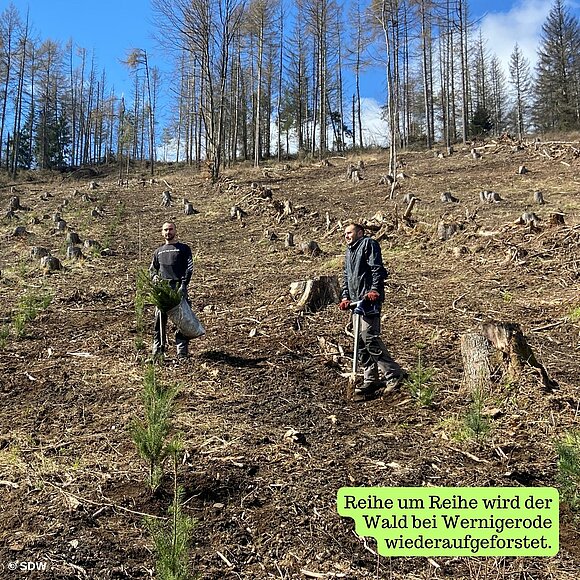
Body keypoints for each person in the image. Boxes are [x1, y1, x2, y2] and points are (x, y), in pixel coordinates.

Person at [339, 222, 404, 400]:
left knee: (369, 337)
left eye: (349, 232)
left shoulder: (368, 244)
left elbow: (377, 269)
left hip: (368, 300)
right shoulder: (349, 251)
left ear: (360, 232)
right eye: (345, 233)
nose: (346, 236)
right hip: (356, 302)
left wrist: (374, 289)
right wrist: (345, 297)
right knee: (359, 342)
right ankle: (371, 379)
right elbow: (346, 276)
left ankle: (394, 375)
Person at [149, 221, 194, 358]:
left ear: (175, 231)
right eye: (165, 230)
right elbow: (152, 270)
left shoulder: (184, 249)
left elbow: (189, 268)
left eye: (170, 229)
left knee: (183, 320)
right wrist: (155, 279)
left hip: (179, 288)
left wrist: (183, 285)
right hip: (163, 291)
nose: (168, 232)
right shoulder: (158, 252)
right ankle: (158, 351)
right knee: (159, 321)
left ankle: (182, 353)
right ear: (162, 233)